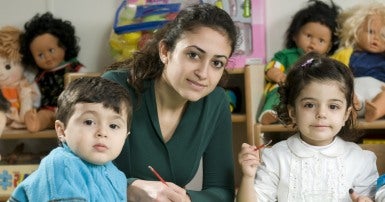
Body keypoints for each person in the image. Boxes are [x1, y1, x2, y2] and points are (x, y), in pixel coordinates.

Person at [102, 3, 238, 202]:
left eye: (216, 63)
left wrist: (187, 199)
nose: (203, 73)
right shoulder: (115, 86)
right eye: (193, 55)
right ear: (165, 51)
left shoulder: (216, 102)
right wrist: (129, 188)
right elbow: (75, 170)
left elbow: (222, 191)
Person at [237, 52, 378, 202]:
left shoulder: (360, 160)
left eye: (333, 106)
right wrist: (248, 176)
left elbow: (371, 198)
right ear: (293, 112)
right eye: (309, 105)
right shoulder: (276, 158)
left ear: (345, 115)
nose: (321, 114)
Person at [8, 77, 133, 201]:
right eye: (89, 122)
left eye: (113, 126)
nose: (103, 133)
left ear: (125, 136)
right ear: (61, 130)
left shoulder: (117, 176)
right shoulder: (63, 166)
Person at [258, 0, 340, 124]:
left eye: (321, 40)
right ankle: (271, 113)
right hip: (287, 87)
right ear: (295, 35)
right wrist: (277, 74)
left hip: (313, 94)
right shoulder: (286, 55)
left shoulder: (327, 62)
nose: (313, 43)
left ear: (329, 47)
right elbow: (272, 69)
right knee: (277, 91)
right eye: (308, 36)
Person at [19, 12, 85, 132]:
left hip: (72, 108)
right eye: (40, 55)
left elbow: (87, 85)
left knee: (80, 113)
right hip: (50, 110)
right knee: (45, 115)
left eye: (51, 50)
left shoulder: (75, 68)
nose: (47, 57)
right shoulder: (40, 77)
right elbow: (36, 97)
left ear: (64, 46)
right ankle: (36, 122)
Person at [331, 2, 385, 122]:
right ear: (356, 30)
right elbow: (330, 70)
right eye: (370, 32)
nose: (376, 38)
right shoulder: (346, 53)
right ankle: (350, 112)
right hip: (355, 93)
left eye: (383, 35)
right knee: (340, 93)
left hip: (379, 94)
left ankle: (375, 111)